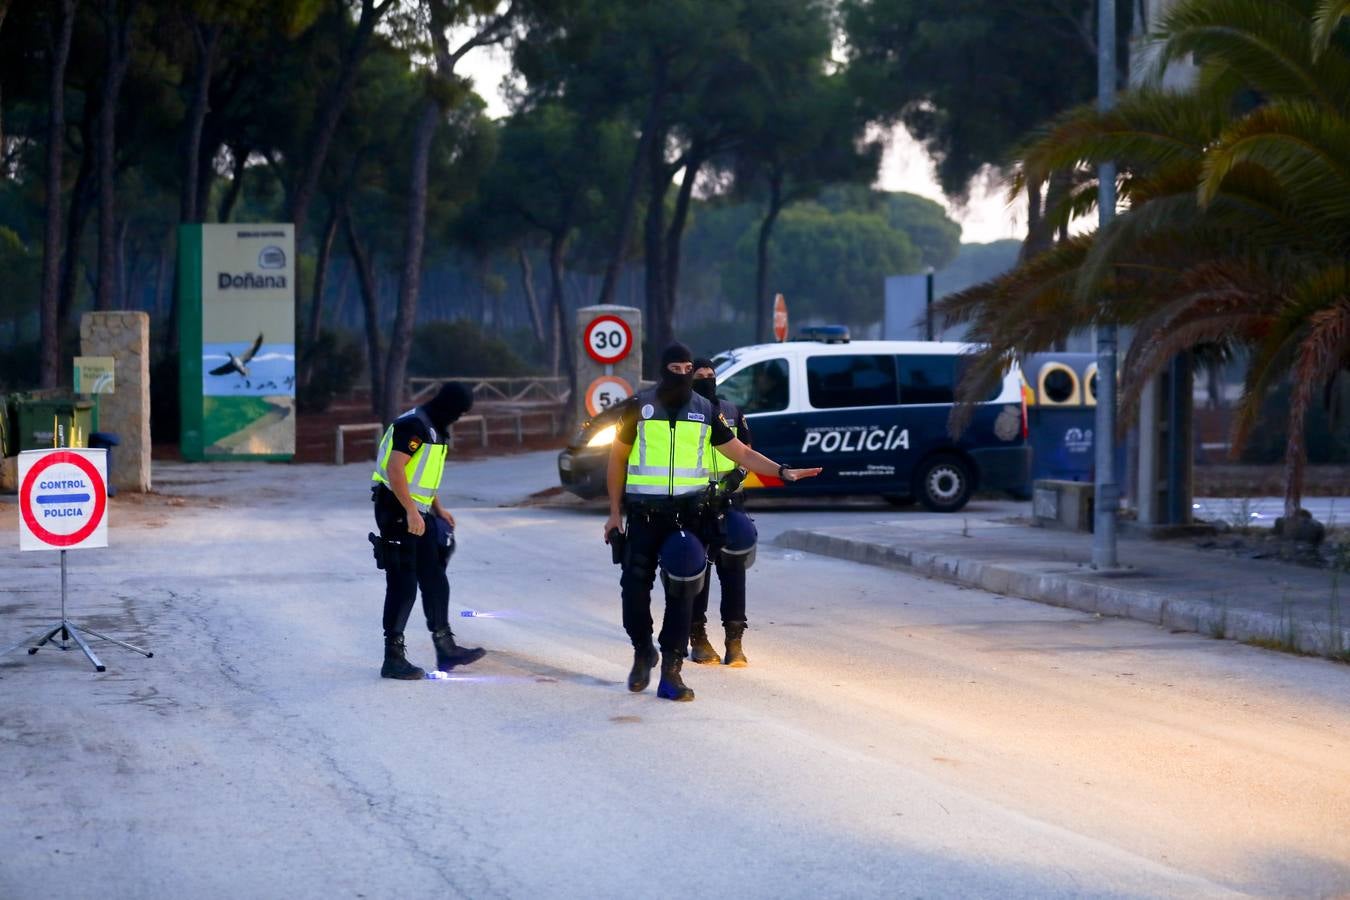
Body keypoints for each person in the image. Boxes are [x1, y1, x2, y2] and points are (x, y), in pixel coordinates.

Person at [603, 342, 821, 702]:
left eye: (689, 368)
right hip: (643, 515)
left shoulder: (705, 411)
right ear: (663, 370)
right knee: (634, 589)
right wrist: (614, 513)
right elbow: (617, 460)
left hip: (686, 517)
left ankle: (671, 671)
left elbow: (743, 453)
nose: (684, 375)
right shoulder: (638, 408)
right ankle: (643, 650)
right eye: (676, 368)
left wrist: (783, 472)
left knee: (685, 583)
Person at [370, 382, 486, 680]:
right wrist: (410, 510)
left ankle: (446, 649)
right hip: (395, 509)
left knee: (434, 577)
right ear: (447, 405)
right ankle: (392, 658)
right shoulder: (414, 425)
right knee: (403, 583)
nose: (459, 418)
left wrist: (437, 508)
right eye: (459, 412)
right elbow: (396, 470)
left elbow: (418, 474)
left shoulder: (434, 426)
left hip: (416, 510)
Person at [688, 358, 755, 667]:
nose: (706, 380)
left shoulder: (731, 412)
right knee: (697, 571)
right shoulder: (685, 414)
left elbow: (747, 452)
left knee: (734, 569)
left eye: (710, 375)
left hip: (730, 502)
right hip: (695, 503)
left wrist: (735, 477)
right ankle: (698, 637)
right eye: (700, 376)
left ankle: (734, 639)